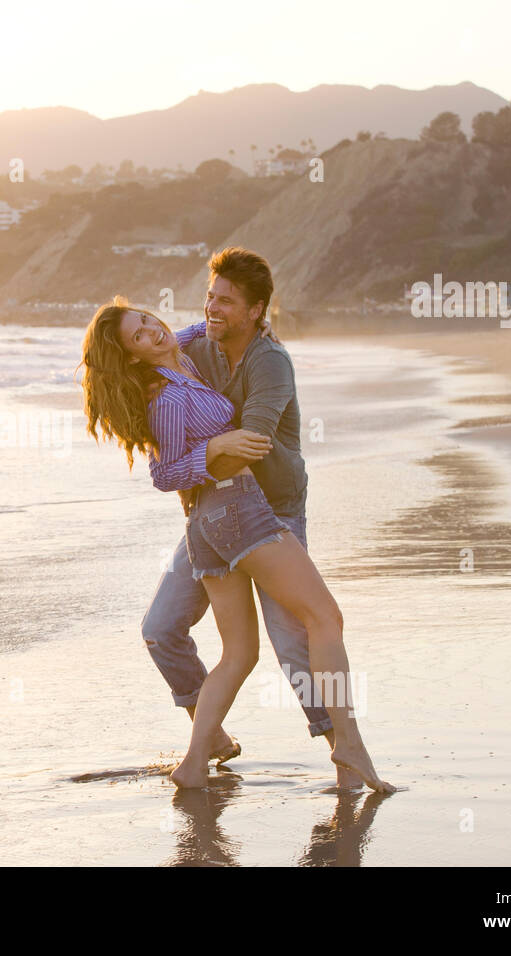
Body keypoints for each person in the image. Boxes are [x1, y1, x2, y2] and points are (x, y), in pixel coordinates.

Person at [79, 281, 395, 793]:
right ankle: (350, 744)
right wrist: (217, 446)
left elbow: (198, 329)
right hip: (236, 511)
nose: (153, 330)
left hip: (209, 521)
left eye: (147, 319)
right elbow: (164, 474)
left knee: (240, 653)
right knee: (324, 618)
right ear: (132, 356)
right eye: (139, 334)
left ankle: (194, 762)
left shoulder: (177, 354)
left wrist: (244, 323)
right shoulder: (166, 394)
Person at [144, 247, 363, 790]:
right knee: (161, 629)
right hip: (213, 511)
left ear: (256, 310)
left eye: (226, 301)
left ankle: (344, 753)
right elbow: (153, 359)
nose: (213, 308)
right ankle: (208, 735)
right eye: (210, 297)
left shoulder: (271, 362)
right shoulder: (198, 343)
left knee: (293, 641)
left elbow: (253, 446)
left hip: (275, 512)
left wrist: (202, 456)